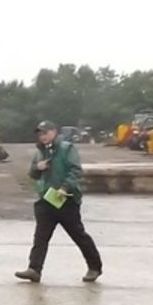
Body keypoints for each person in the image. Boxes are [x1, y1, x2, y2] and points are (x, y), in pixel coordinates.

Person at [15, 118, 102, 284]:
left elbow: (75, 170)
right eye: (40, 133)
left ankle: (94, 267)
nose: (43, 136)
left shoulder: (67, 149)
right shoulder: (40, 152)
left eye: (45, 132)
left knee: (78, 235)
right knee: (40, 237)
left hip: (65, 200)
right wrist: (37, 168)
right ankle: (34, 269)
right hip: (46, 199)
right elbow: (32, 174)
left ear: (54, 132)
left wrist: (65, 187)